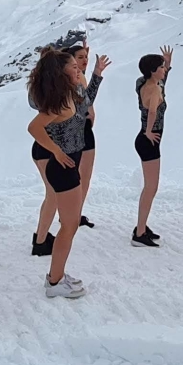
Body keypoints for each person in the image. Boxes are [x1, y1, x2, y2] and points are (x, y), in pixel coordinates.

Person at [27, 49, 89, 298]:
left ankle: (57, 275)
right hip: (63, 169)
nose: (77, 69)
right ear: (61, 73)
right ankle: (54, 281)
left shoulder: (69, 94)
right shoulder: (60, 102)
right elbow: (33, 127)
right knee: (68, 225)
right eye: (73, 66)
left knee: (69, 225)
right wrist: (55, 150)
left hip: (68, 165)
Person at [132, 47, 172, 246]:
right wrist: (149, 131)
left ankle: (142, 225)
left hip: (145, 138)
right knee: (151, 188)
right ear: (153, 70)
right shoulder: (155, 89)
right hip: (150, 140)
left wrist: (168, 63)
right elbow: (154, 112)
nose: (164, 70)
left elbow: (160, 82)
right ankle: (139, 233)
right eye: (162, 67)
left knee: (150, 187)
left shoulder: (142, 83)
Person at [70, 42, 110, 229]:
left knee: (79, 176)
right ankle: (73, 215)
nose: (84, 60)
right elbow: (86, 100)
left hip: (79, 128)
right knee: (81, 177)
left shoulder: (76, 75)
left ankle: (73, 213)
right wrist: (98, 73)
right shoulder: (76, 77)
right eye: (80, 58)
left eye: (85, 57)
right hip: (80, 131)